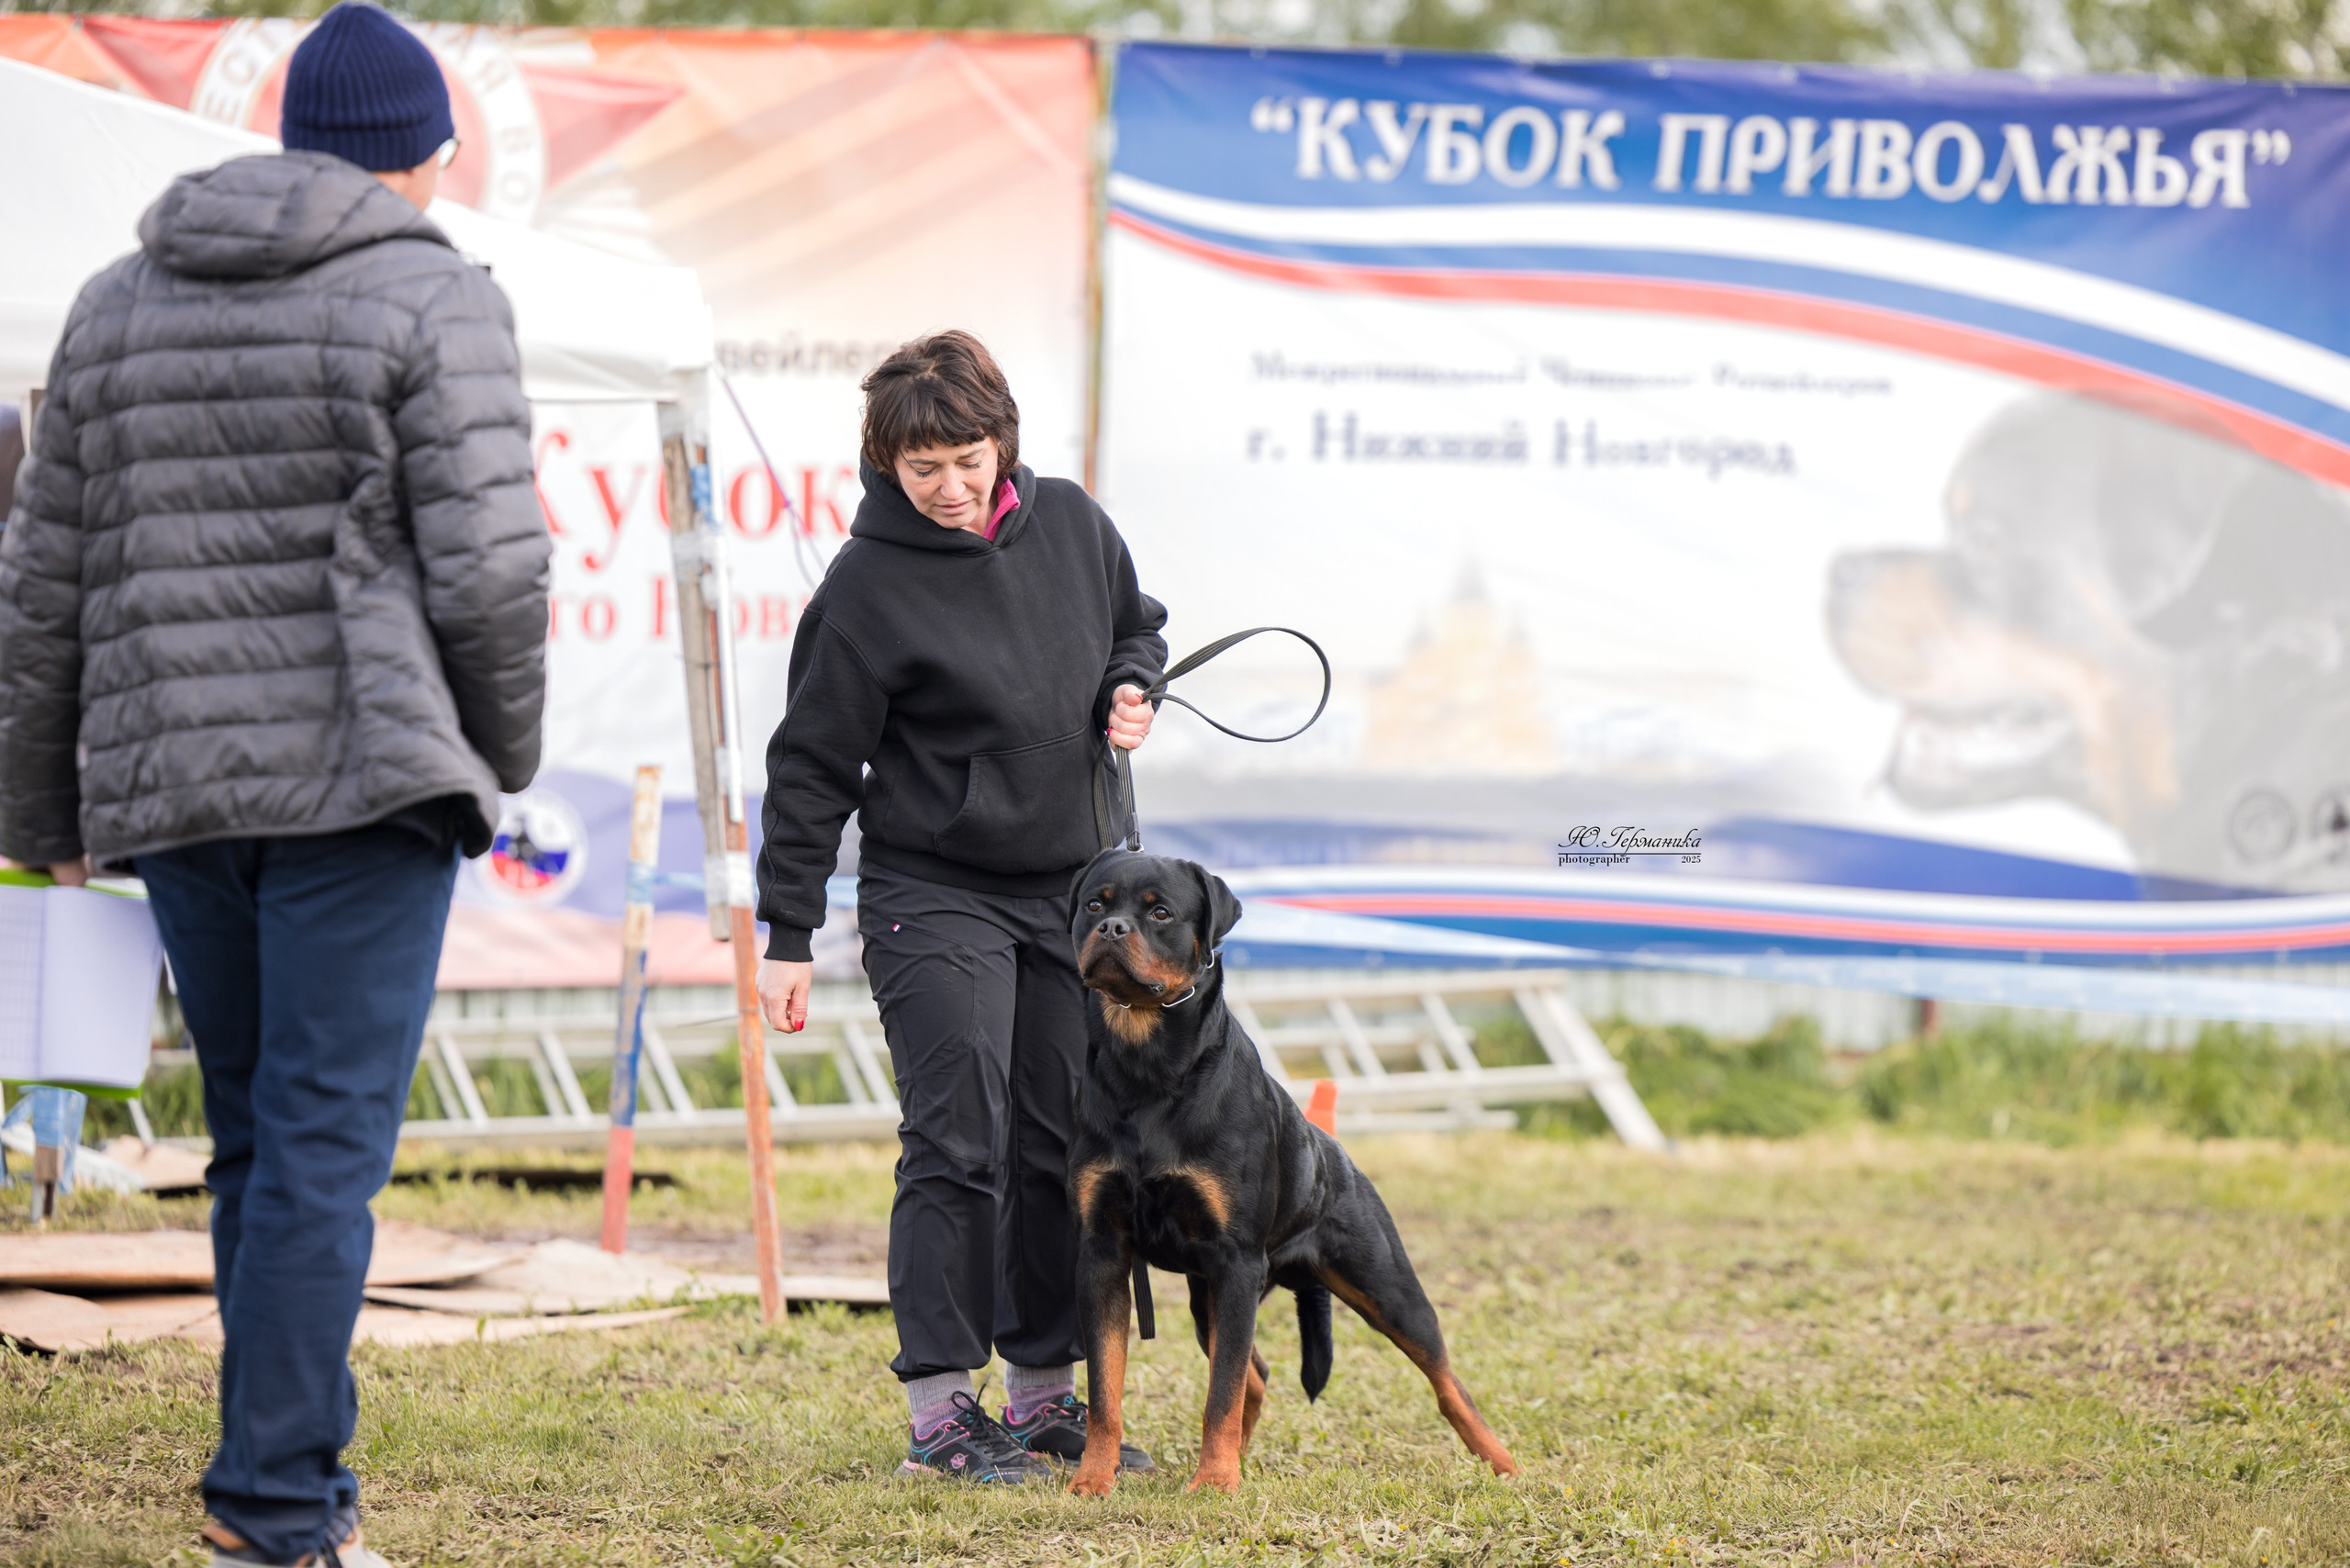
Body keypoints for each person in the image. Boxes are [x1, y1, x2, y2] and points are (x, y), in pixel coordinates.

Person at [0, 6, 550, 1563]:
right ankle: (278, 1509)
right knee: (320, 1147)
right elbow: (494, 574)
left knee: (256, 1138)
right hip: (363, 785)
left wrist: (39, 816)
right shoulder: (434, 292)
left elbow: (39, 583)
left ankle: (285, 1485)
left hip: (173, 786)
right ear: (422, 155)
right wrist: (499, 753)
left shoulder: (114, 302)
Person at [755, 330, 1166, 1484]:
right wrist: (787, 933)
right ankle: (940, 1413)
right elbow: (811, 768)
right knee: (958, 1135)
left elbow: (1136, 628)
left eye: (967, 460)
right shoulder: (864, 588)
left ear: (1003, 444)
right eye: (921, 466)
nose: (947, 485)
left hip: (1072, 895)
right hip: (931, 891)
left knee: (1060, 1141)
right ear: (885, 463)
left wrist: (1132, 686)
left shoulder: (1074, 523)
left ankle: (1042, 1396)